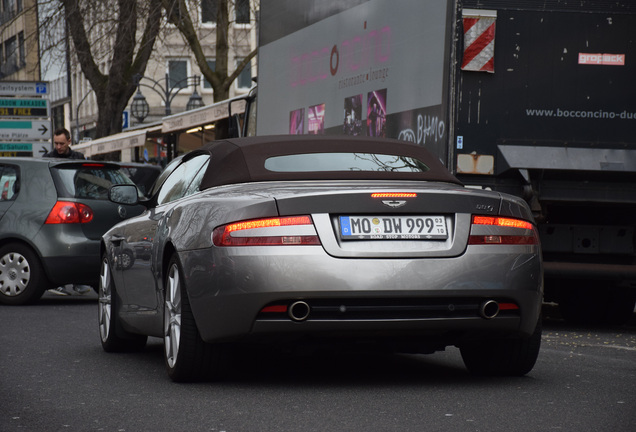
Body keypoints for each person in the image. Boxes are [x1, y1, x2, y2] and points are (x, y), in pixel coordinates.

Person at [44, 128, 92, 296]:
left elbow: (85, 181)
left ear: (69, 141)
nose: (58, 147)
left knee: (78, 244)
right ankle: (59, 283)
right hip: (56, 205)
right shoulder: (47, 159)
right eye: (56, 143)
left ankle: (79, 281)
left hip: (76, 205)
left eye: (62, 143)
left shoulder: (78, 158)